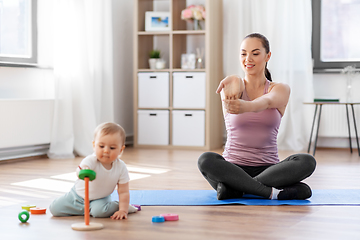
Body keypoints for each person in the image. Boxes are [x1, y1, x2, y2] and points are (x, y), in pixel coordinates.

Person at [198, 33, 316, 200]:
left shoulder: (280, 89)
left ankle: (238, 189)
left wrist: (246, 106)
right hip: (232, 167)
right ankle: (269, 192)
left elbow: (267, 101)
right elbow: (235, 85)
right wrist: (235, 81)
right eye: (243, 53)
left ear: (267, 56)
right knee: (205, 160)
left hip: (269, 169)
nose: (248, 59)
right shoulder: (231, 87)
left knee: (307, 161)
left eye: (255, 53)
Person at [50, 122, 137, 219]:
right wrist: (84, 170)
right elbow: (80, 170)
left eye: (112, 148)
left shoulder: (121, 167)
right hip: (77, 197)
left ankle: (120, 206)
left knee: (99, 212)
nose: (106, 151)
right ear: (94, 145)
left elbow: (123, 192)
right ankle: (85, 210)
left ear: (121, 150)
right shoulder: (91, 160)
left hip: (100, 199)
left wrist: (123, 210)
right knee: (54, 209)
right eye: (101, 146)